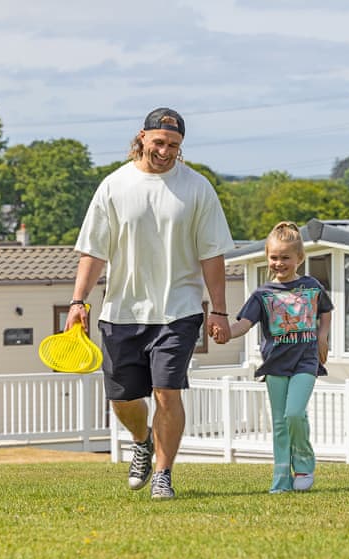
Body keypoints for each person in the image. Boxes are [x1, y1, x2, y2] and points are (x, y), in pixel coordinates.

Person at [66, 107, 234, 500]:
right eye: (159, 142)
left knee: (166, 392)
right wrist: (78, 302)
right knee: (123, 398)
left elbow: (213, 256)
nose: (166, 151)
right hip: (121, 310)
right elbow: (93, 251)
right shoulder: (114, 186)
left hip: (179, 309)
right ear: (142, 137)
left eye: (174, 145)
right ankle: (141, 440)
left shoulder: (197, 188)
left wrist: (220, 311)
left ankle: (163, 473)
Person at [216, 221, 332, 493]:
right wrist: (226, 334)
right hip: (275, 364)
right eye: (274, 257)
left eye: (285, 257)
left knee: (294, 413)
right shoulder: (261, 294)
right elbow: (244, 324)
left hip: (306, 360)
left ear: (299, 258)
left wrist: (323, 337)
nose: (279, 263)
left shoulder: (311, 286)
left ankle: (303, 462)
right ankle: (281, 479)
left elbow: (325, 311)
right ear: (267, 257)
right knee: (279, 422)